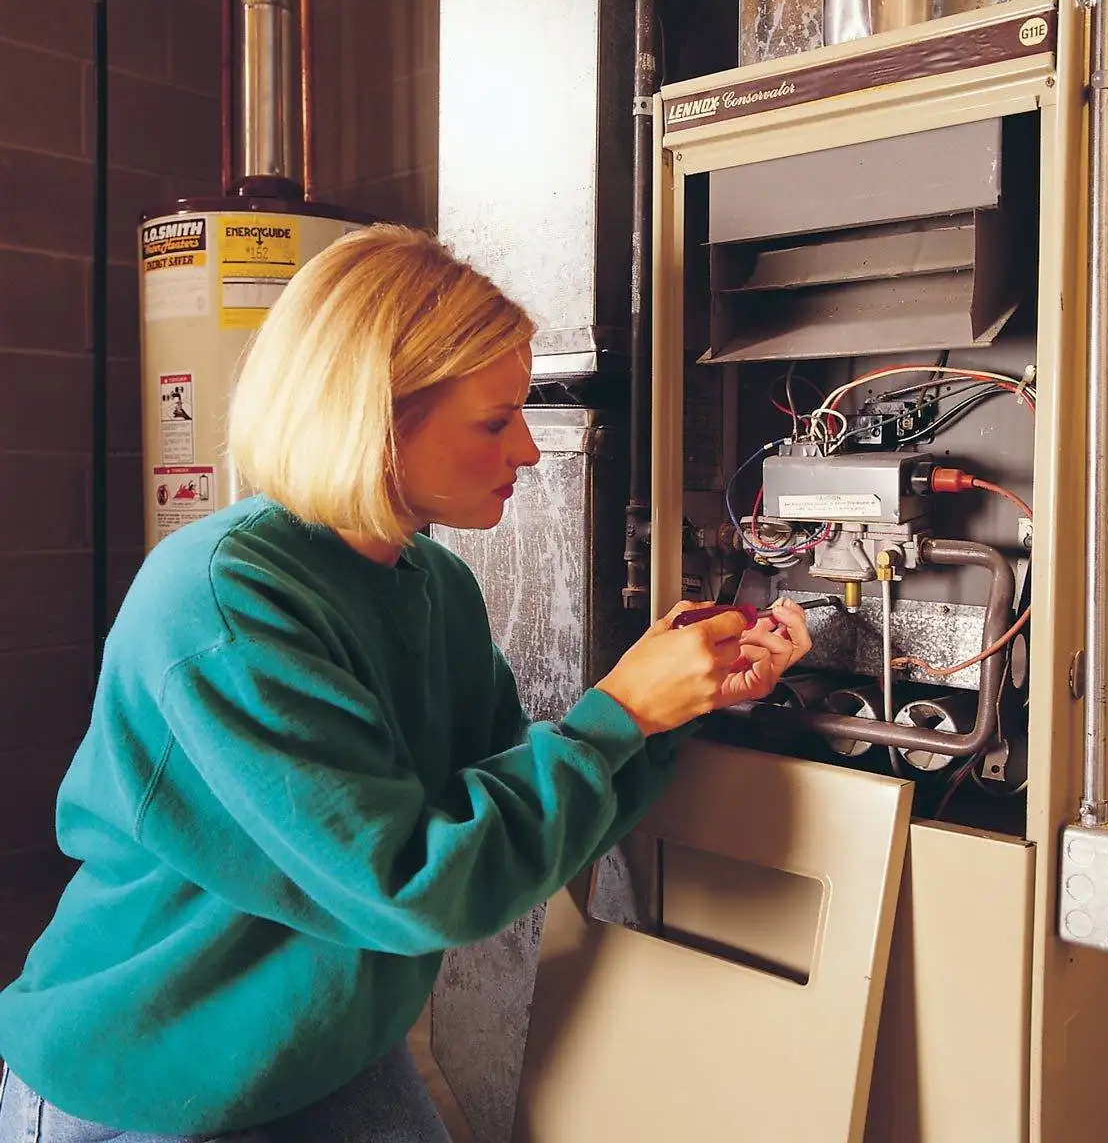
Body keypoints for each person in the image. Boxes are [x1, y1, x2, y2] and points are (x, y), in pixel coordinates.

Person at [0, 224, 812, 1142]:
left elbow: (513, 820)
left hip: (326, 1044)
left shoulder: (432, 583)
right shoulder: (224, 602)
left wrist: (675, 704)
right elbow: (413, 883)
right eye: (495, 422)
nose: (529, 454)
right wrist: (622, 709)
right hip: (155, 1071)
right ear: (371, 417)